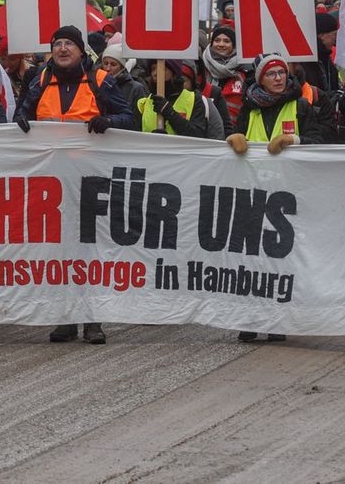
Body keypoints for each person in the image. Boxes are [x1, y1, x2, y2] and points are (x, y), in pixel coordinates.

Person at [14, 25, 135, 345]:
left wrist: (107, 121)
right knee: (58, 252)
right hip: (51, 184)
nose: (63, 49)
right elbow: (21, 117)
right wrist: (21, 120)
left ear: (82, 51)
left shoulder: (100, 81)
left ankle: (92, 321)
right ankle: (65, 319)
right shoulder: (40, 80)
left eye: (69, 43)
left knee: (89, 252)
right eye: (57, 44)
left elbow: (129, 118)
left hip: (90, 181)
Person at [226, 52, 326, 342]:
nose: (279, 78)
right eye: (271, 74)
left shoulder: (302, 107)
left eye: (282, 73)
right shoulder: (249, 109)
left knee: (282, 259)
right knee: (252, 259)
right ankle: (251, 318)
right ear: (260, 79)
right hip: (255, 193)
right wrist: (234, 140)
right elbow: (237, 136)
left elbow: (321, 141)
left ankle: (277, 320)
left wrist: (294, 141)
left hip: (289, 195)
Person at [137, 59, 223, 139]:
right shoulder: (144, 103)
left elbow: (197, 135)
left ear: (174, 73)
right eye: (153, 69)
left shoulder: (195, 99)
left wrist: (169, 113)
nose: (155, 73)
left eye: (163, 69)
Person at [202, 25, 246, 125]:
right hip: (203, 128)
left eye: (226, 41)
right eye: (217, 40)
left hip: (232, 130)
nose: (221, 44)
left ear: (234, 45)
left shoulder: (243, 70)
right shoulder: (200, 67)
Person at [97, 38, 149, 110]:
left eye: (113, 64)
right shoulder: (95, 84)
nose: (108, 68)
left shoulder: (135, 89)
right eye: (105, 63)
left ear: (122, 67)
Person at [308, 12, 341, 93]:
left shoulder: (326, 57)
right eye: (334, 34)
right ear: (322, 35)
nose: (335, 38)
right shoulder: (308, 62)